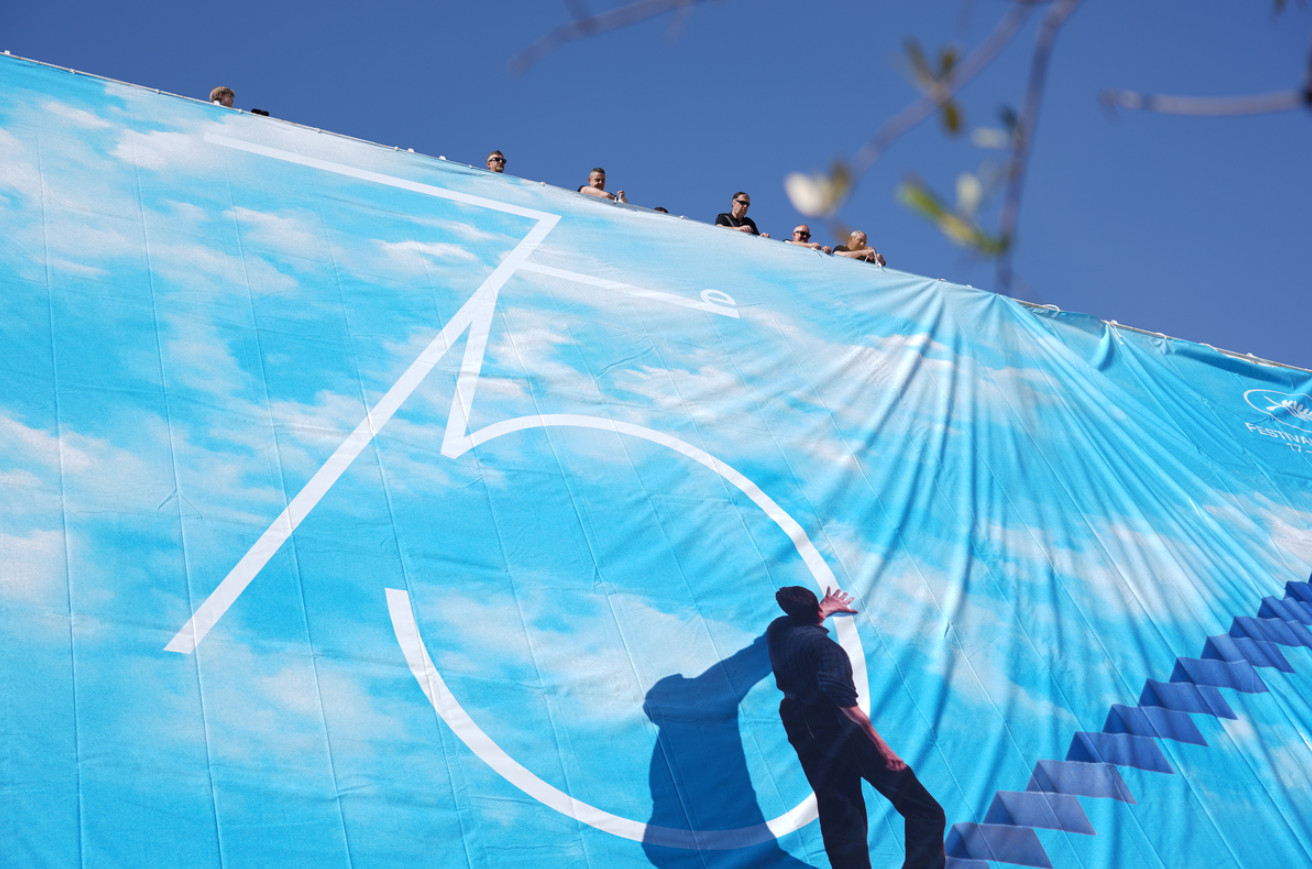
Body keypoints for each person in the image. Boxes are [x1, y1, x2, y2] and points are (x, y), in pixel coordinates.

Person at [767, 586, 945, 869]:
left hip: (801, 727)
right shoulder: (826, 649)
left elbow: (801, 620)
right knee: (926, 812)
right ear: (815, 611)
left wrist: (821, 609)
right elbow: (845, 705)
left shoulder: (777, 630)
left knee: (841, 813)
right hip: (839, 729)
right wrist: (883, 748)